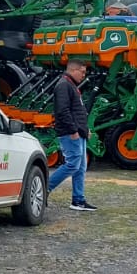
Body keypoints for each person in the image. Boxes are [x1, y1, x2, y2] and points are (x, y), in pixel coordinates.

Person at [46, 59, 97, 211]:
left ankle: (78, 200)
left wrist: (84, 129)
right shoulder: (64, 86)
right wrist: (73, 130)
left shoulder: (71, 85)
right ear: (73, 70)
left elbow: (78, 110)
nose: (83, 75)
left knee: (81, 166)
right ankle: (45, 188)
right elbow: (62, 111)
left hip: (78, 133)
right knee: (73, 164)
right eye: (82, 72)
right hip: (70, 133)